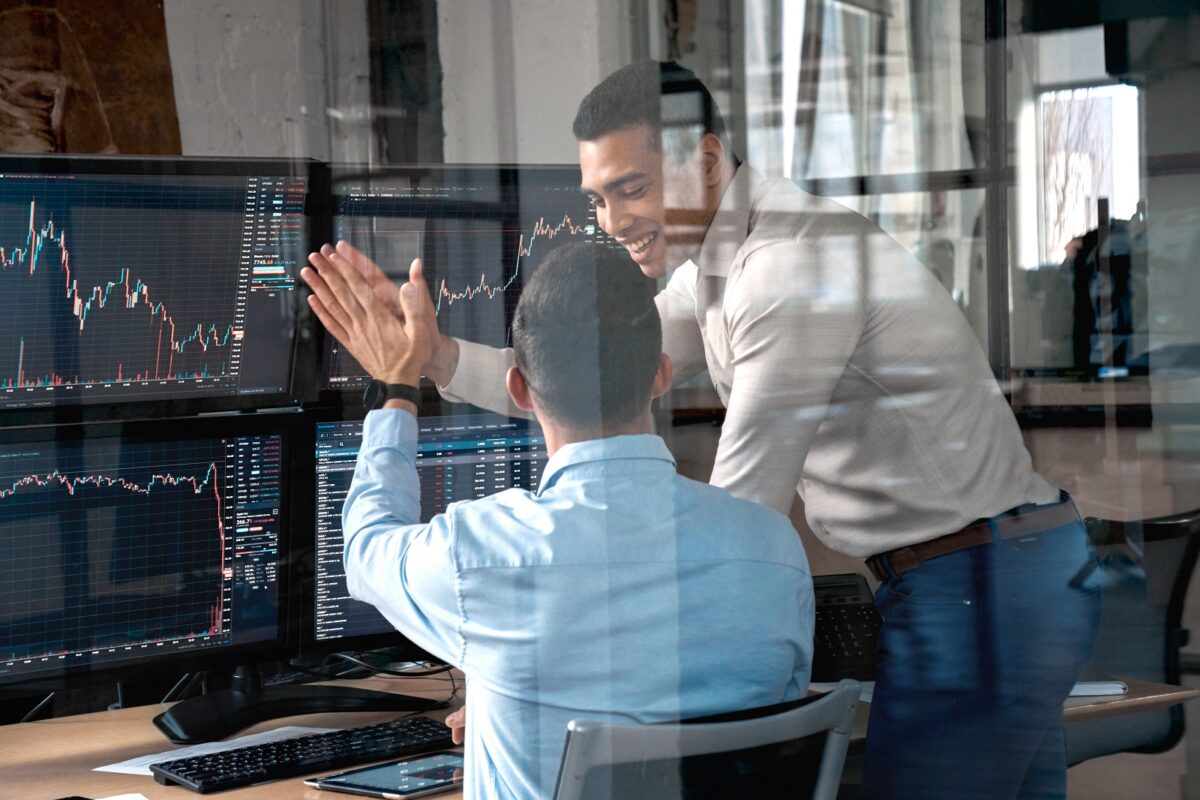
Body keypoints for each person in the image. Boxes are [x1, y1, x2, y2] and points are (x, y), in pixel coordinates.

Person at [385, 60, 1100, 798]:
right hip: (998, 572)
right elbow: (585, 375)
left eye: (633, 188)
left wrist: (537, 679)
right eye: (598, 199)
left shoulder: (786, 269)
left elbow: (733, 536)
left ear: (703, 160)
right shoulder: (720, 265)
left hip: (979, 586)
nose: (612, 222)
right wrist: (436, 358)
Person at [300, 241, 814, 800]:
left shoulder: (479, 558)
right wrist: (515, 697)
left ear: (518, 388)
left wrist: (398, 385)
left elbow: (367, 547)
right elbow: (758, 721)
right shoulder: (775, 549)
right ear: (661, 375)